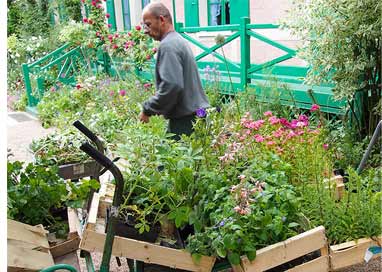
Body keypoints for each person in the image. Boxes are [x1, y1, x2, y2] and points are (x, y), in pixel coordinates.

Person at [139, 2, 210, 140]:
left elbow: (172, 85)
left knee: (172, 159)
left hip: (186, 122)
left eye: (148, 24)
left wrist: (147, 109)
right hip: (198, 115)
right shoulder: (178, 40)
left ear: (161, 20)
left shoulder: (168, 46)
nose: (145, 30)